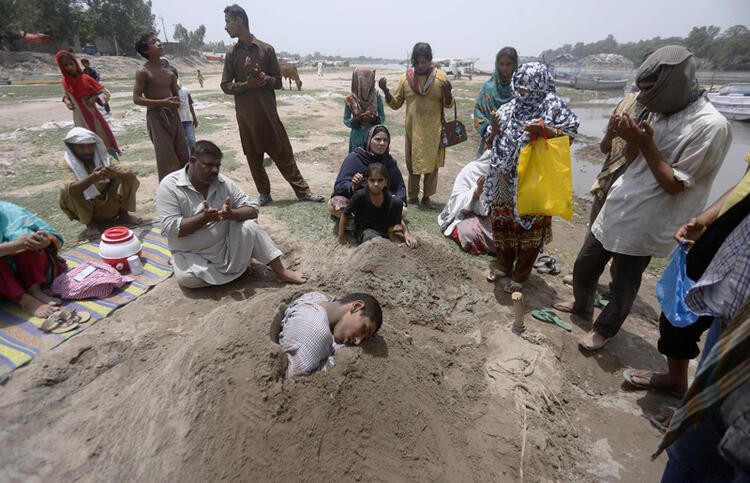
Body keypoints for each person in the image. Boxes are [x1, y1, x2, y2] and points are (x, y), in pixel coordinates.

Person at [554, 46, 732, 351]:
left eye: (649, 90)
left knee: (623, 281)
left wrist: (646, 143)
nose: (643, 97)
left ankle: (604, 329)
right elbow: (633, 159)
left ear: (672, 85)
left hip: (650, 217)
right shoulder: (659, 110)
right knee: (585, 263)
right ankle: (582, 304)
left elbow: (674, 186)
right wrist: (629, 138)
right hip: (620, 202)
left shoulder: (711, 127)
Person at [624, 155, 750, 397]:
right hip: (728, 230)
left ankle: (700, 414)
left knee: (733, 343)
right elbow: (746, 181)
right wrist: (706, 219)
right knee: (679, 306)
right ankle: (677, 380)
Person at [156, 140, 306, 288]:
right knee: (186, 279)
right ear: (193, 161)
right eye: (209, 165)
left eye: (217, 165)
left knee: (249, 227)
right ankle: (241, 270)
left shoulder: (222, 182)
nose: (215, 170)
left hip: (225, 247)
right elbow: (171, 228)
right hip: (192, 254)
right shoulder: (169, 186)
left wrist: (231, 214)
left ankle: (281, 272)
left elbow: (253, 208)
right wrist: (204, 217)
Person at [483, 62, 579, 294]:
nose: (522, 93)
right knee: (502, 221)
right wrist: (494, 131)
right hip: (504, 178)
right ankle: (504, 265)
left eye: (527, 90)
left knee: (531, 227)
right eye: (519, 88)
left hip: (535, 178)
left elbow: (570, 135)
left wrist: (546, 131)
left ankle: (521, 274)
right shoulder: (509, 107)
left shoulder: (553, 106)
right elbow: (489, 144)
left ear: (540, 86)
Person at [221, 4, 324, 205]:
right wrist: (246, 85)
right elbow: (225, 85)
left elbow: (277, 82)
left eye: (227, 22)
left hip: (268, 114)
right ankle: (264, 195)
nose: (225, 27)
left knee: (283, 152)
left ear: (238, 21)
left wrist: (262, 77)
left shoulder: (266, 49)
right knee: (253, 156)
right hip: (246, 117)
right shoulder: (231, 54)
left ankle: (303, 192)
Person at [379, 42, 453, 209]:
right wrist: (386, 91)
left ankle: (427, 196)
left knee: (432, 166)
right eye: (417, 62)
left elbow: (448, 104)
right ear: (413, 61)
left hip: (434, 130)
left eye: (424, 62)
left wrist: (448, 94)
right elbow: (396, 104)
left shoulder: (441, 78)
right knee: (413, 164)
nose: (420, 66)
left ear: (430, 60)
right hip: (413, 130)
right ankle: (412, 196)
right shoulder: (405, 79)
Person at [276, 291, 382, 379]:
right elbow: (293, 376)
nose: (358, 341)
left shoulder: (318, 297)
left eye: (363, 339)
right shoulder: (318, 332)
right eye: (363, 329)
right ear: (356, 306)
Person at [59, 127, 142, 238]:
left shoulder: (104, 158)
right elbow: (72, 190)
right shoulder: (66, 163)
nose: (87, 151)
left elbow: (131, 175)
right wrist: (92, 178)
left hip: (109, 203)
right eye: (81, 147)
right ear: (72, 147)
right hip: (88, 208)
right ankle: (90, 224)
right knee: (67, 189)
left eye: (90, 146)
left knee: (128, 177)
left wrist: (115, 174)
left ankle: (123, 214)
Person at [132, 32, 189, 181]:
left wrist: (175, 103)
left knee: (183, 155)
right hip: (156, 117)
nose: (159, 43)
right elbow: (136, 98)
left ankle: (188, 192)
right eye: (153, 42)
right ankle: (170, 195)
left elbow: (176, 96)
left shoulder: (170, 74)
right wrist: (162, 103)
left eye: (158, 40)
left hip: (173, 116)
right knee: (167, 159)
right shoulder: (143, 72)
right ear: (145, 50)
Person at [0, 201, 66, 318]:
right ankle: (25, 301)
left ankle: (35, 290)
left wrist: (45, 241)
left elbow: (51, 235)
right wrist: (16, 245)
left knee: (30, 239)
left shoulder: (8, 209)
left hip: (26, 270)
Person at [329, 125, 406, 217]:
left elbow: (398, 187)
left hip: (380, 202)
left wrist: (394, 198)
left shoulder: (389, 162)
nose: (382, 143)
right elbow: (340, 185)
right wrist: (353, 186)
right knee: (335, 204)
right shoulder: (355, 158)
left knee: (402, 210)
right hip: (356, 200)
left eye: (385, 140)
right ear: (369, 140)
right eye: (377, 139)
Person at [57, 50, 120, 158]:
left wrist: (94, 97)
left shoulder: (86, 78)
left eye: (71, 64)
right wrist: (67, 102)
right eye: (65, 65)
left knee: (102, 141)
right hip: (79, 120)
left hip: (93, 117)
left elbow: (105, 93)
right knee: (85, 145)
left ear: (75, 63)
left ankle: (112, 168)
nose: (69, 67)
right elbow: (67, 96)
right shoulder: (65, 81)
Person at [337, 162, 416, 248]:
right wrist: (341, 237)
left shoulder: (386, 195)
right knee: (373, 240)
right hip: (366, 231)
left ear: (385, 182)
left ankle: (391, 234)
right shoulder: (360, 195)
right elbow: (345, 213)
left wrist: (406, 233)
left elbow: (398, 216)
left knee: (397, 202)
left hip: (383, 229)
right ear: (367, 181)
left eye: (380, 180)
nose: (376, 184)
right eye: (372, 180)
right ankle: (382, 242)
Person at [437, 150, 494, 254]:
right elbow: (457, 198)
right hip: (465, 214)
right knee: (469, 234)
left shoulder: (498, 176)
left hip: (485, 217)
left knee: (504, 234)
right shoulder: (471, 169)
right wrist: (477, 192)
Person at [473, 47, 518, 156]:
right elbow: (478, 111)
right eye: (501, 64)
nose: (504, 68)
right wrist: (491, 129)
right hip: (490, 142)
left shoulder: (520, 89)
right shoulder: (488, 87)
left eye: (508, 64)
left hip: (513, 144)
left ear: (515, 65)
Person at [343, 67, 385, 153]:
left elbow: (382, 116)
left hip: (373, 137)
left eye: (367, 81)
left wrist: (375, 119)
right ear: (356, 82)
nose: (365, 85)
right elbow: (346, 119)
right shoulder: (350, 99)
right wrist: (356, 120)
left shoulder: (376, 97)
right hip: (356, 138)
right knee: (356, 162)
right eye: (362, 82)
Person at [172, 68, 199, 154]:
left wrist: (194, 118)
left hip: (187, 120)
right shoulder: (168, 92)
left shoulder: (185, 90)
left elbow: (190, 105)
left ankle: (194, 158)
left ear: (176, 77)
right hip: (176, 121)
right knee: (182, 143)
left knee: (191, 140)